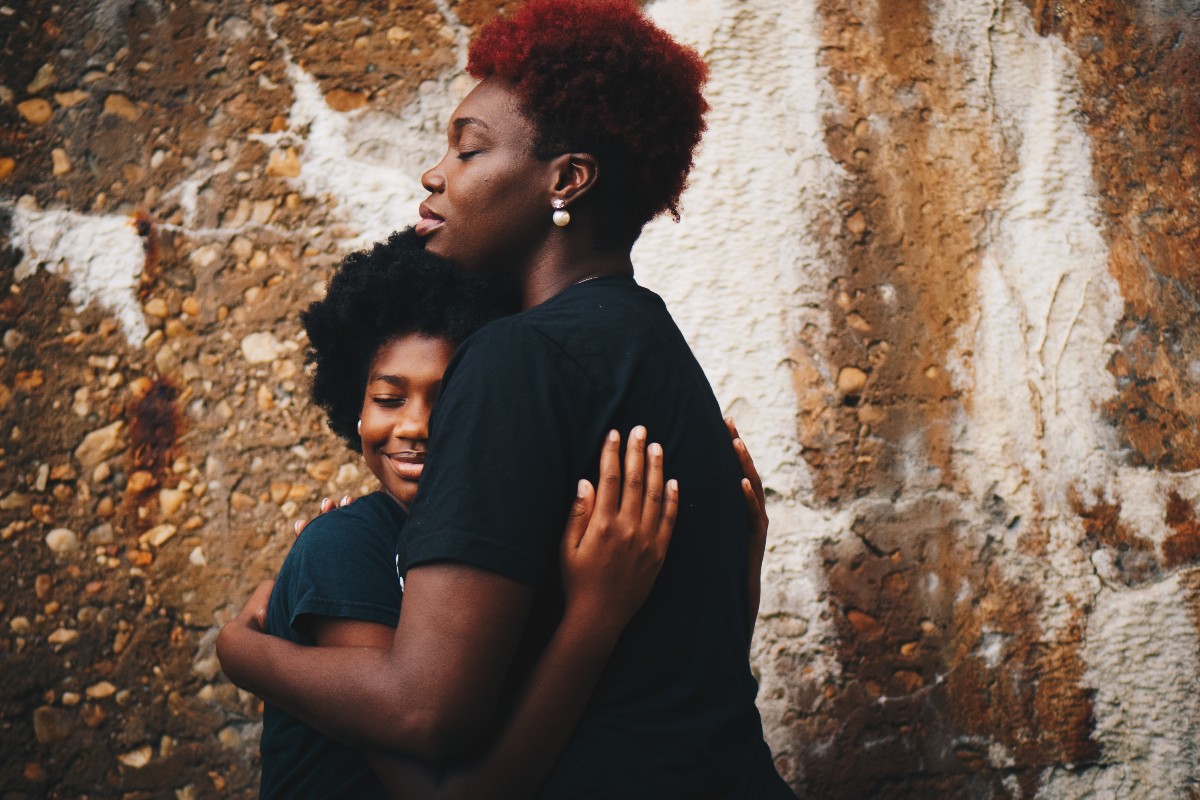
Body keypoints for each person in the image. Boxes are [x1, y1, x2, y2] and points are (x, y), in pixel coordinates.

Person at [217, 0, 792, 796]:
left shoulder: (516, 358)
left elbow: (426, 714)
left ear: (566, 180)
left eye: (468, 149)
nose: (436, 173)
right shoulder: (655, 351)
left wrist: (244, 651)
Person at [262, 228, 682, 798]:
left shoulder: (505, 550)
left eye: (451, 399)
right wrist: (595, 615)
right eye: (389, 398)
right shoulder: (346, 546)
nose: (414, 426)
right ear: (353, 410)